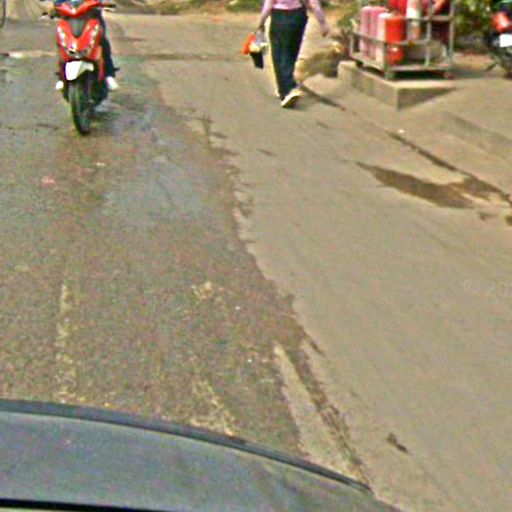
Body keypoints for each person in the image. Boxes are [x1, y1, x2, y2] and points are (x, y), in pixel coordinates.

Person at [257, 0, 329, 108]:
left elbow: (269, 3)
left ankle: (288, 89)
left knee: (278, 53)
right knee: (291, 52)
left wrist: (261, 22)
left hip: (279, 16)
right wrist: (322, 23)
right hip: (298, 16)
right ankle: (284, 88)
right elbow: (313, 3)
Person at [51, 0, 119, 91]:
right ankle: (61, 76)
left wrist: (104, 3)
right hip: (69, 17)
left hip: (91, 15)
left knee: (102, 41)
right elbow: (58, 3)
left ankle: (108, 74)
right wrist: (56, 6)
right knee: (61, 43)